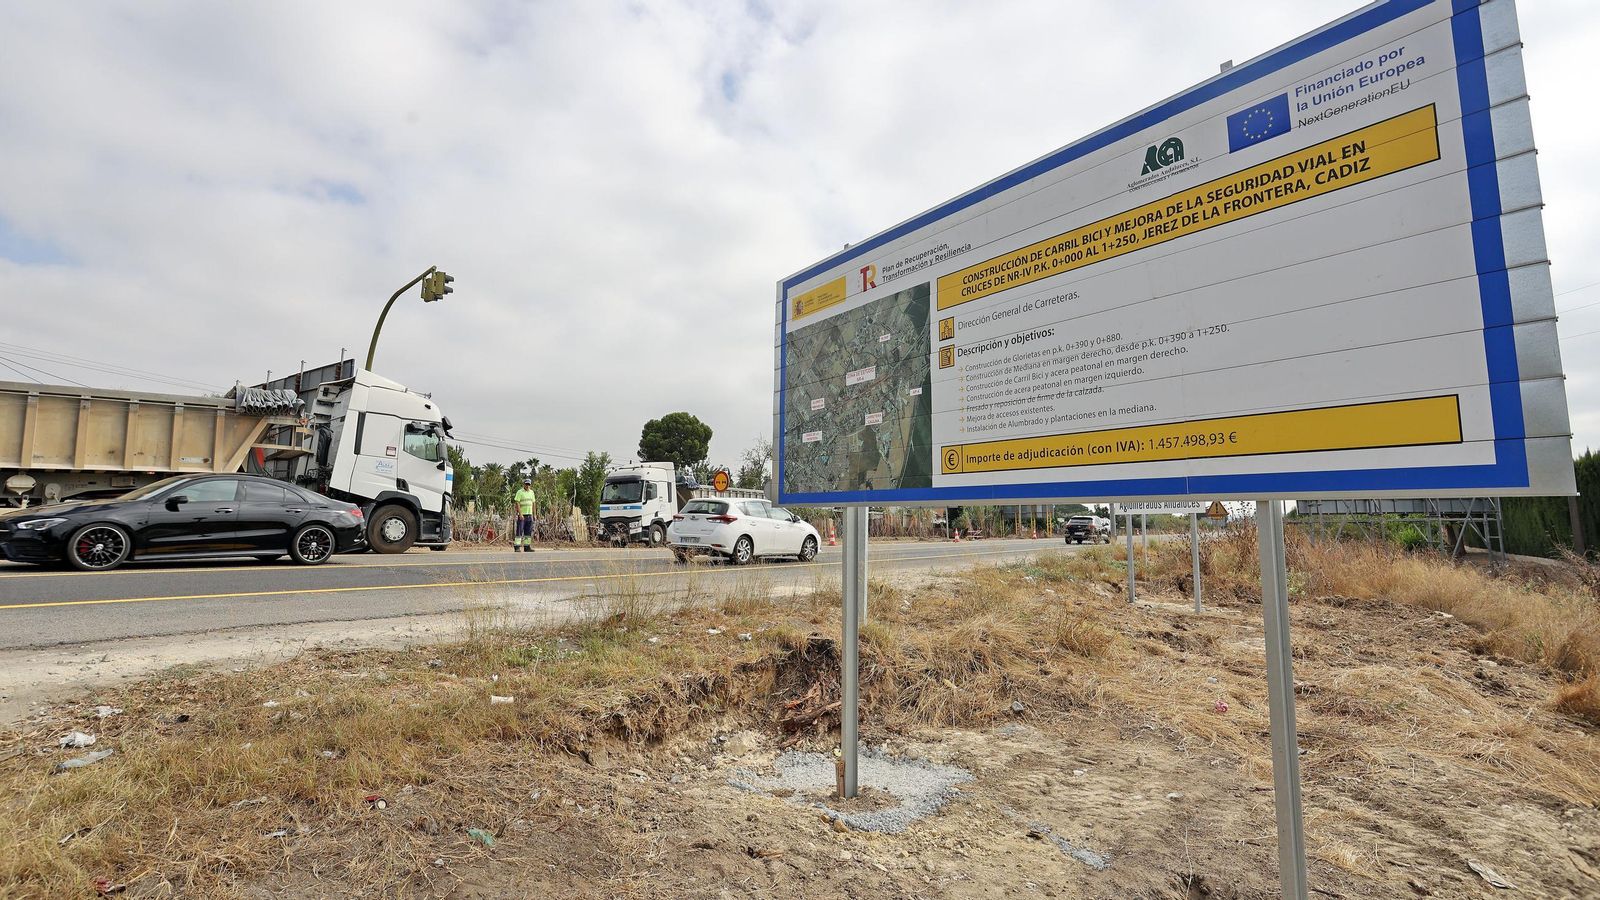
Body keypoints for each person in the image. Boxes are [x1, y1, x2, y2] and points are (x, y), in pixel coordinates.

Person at [513, 478, 537, 552]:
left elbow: (533, 503)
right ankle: (517, 546)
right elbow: (517, 503)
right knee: (520, 531)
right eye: (526, 484)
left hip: (529, 514)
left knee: (528, 531)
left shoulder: (532, 492)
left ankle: (527, 546)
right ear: (524, 484)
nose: (527, 486)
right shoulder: (520, 492)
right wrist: (520, 514)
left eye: (529, 484)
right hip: (522, 515)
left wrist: (534, 514)